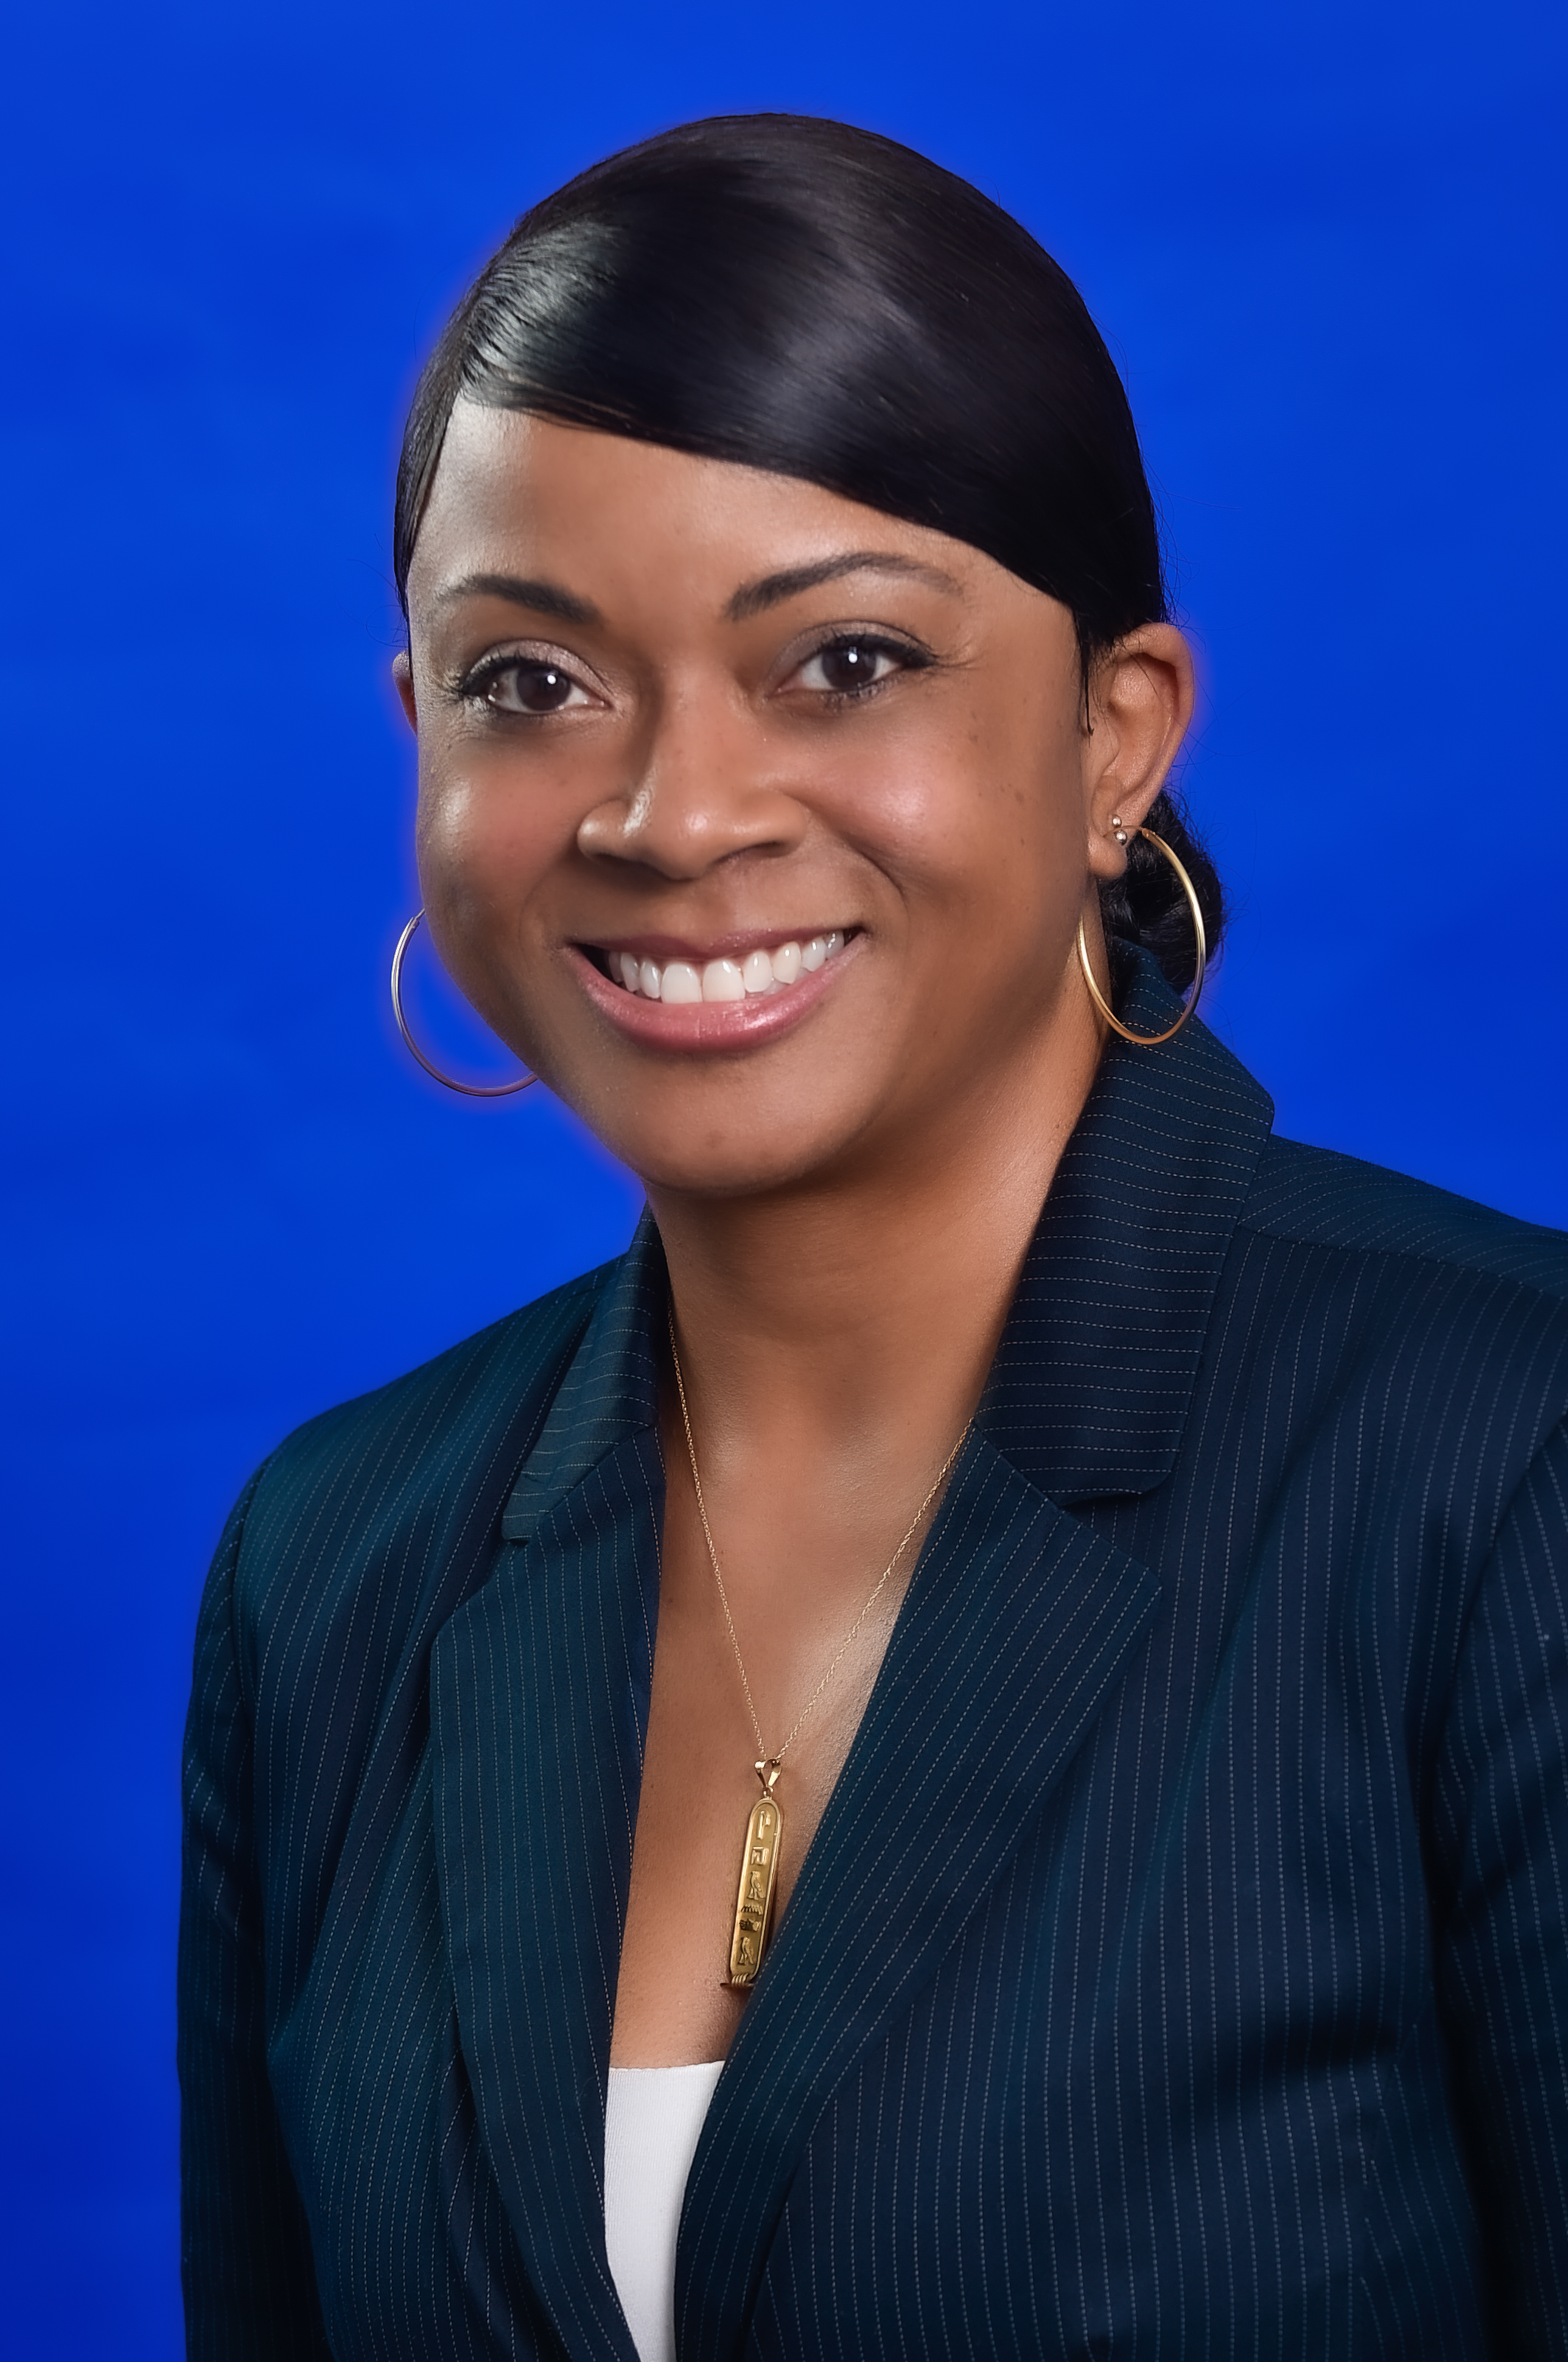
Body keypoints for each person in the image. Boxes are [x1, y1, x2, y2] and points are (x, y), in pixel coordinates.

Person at [178, 114, 1568, 2362]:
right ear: (419, 726)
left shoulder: (1509, 1467)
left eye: (839, 661)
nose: (672, 816)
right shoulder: (330, 1573)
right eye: (531, 682)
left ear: (1117, 739)